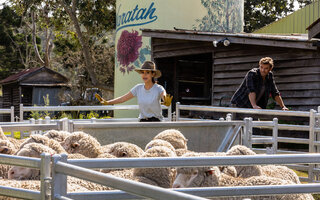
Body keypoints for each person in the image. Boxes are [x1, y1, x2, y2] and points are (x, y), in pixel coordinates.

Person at [95, 61, 172, 122]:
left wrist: (166, 101)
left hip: (157, 123)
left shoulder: (159, 88)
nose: (144, 75)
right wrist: (108, 102)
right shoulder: (138, 88)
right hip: (142, 122)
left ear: (153, 74)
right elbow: (123, 99)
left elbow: (164, 96)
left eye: (147, 72)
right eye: (142, 72)